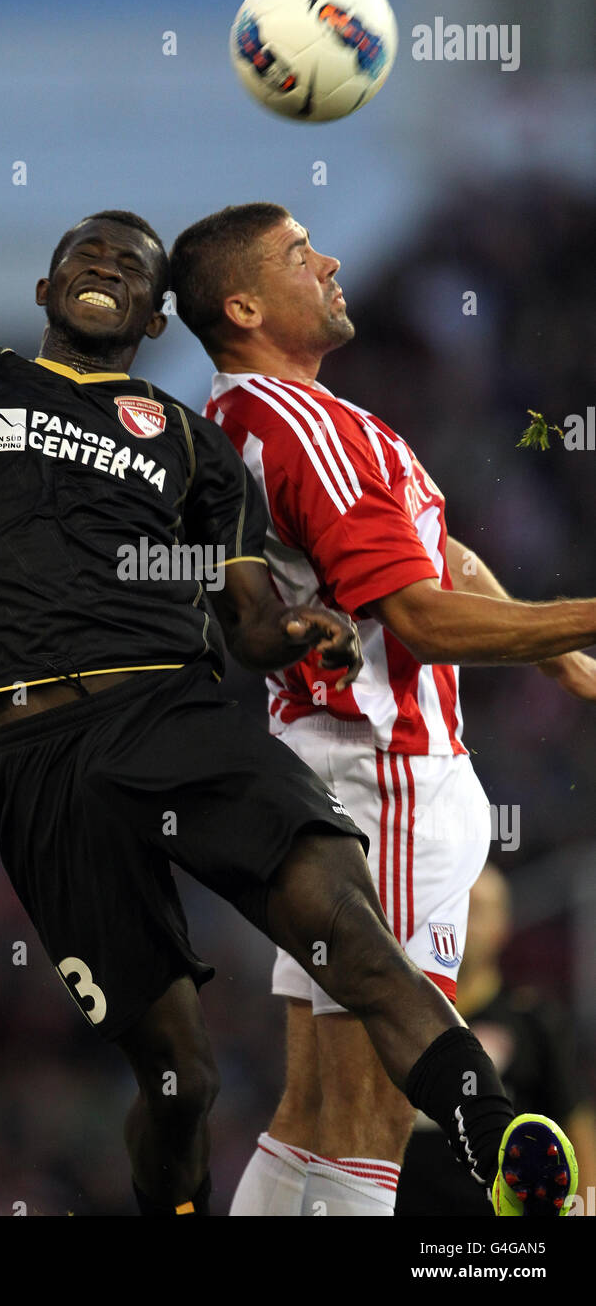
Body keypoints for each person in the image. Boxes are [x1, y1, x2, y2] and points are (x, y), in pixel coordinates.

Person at [0, 211, 579, 1217]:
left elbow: (248, 624)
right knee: (180, 1077)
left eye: (131, 263)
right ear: (44, 290)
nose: (106, 264)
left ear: (154, 314)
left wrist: (298, 634)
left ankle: (493, 1130)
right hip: (36, 754)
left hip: (170, 710)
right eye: (85, 251)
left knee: (343, 916)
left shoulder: (194, 446)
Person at [168, 201, 595, 1217]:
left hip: (333, 780)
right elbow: (418, 618)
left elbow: (443, 558)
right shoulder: (303, 430)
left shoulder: (288, 421)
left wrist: (556, 654)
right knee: (365, 1124)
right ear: (242, 303)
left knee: (313, 1114)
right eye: (296, 255)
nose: (331, 260)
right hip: (383, 776)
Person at [396, 864, 596, 1216]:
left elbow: (578, 1140)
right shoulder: (395, 1022)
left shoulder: (536, 1022)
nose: (460, 919)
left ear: (502, 928)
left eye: (475, 908)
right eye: (451, 905)